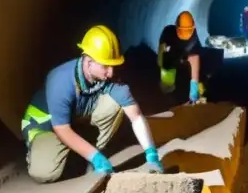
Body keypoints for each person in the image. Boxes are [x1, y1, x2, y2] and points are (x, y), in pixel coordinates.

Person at [21, 24, 164, 183]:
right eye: (105, 66)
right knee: (45, 173)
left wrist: (151, 155)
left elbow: (136, 117)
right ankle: (46, 152)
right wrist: (97, 159)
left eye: (113, 65)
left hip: (75, 118)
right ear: (88, 63)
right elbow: (62, 129)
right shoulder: (60, 80)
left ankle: (86, 153)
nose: (111, 72)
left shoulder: (109, 77)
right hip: (45, 125)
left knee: (115, 103)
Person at [158, 10, 205, 104]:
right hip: (171, 56)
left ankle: (198, 94)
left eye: (187, 30)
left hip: (184, 55)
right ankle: (167, 93)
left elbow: (195, 63)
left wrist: (194, 90)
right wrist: (161, 63)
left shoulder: (193, 40)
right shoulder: (168, 33)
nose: (185, 33)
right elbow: (162, 53)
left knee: (198, 76)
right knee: (167, 74)